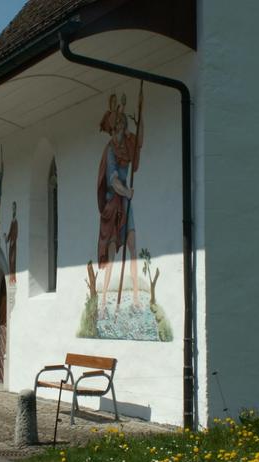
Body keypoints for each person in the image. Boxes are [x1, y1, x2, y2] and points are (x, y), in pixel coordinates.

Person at [97, 91, 144, 312]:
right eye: (119, 127)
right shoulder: (110, 152)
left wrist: (140, 117)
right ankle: (104, 300)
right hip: (113, 204)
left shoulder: (126, 147)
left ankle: (135, 299)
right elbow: (113, 180)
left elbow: (139, 144)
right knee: (114, 251)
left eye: (124, 127)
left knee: (133, 246)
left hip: (126, 203)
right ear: (114, 129)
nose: (122, 131)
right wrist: (126, 192)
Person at [4, 201, 18, 284]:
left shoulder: (15, 220)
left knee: (13, 260)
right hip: (11, 244)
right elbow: (10, 231)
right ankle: (11, 277)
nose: (13, 209)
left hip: (13, 244)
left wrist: (13, 240)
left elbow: (16, 232)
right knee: (10, 260)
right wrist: (6, 238)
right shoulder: (12, 219)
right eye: (12, 207)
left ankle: (13, 277)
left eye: (14, 207)